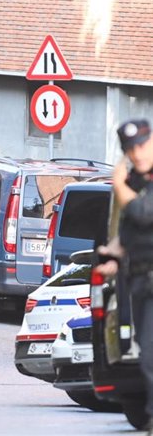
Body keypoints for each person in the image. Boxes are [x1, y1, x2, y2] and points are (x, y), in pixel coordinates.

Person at [97, 119, 153, 432]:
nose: (138, 153)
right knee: (148, 356)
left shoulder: (132, 187)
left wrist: (119, 186)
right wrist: (113, 258)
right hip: (142, 280)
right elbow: (130, 231)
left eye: (143, 145)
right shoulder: (137, 181)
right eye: (131, 149)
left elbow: (145, 212)